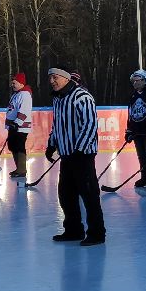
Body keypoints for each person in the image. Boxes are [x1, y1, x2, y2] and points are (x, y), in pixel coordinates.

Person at [44, 68, 104, 246]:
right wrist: (52, 144)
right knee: (66, 193)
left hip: (82, 155)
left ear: (65, 78)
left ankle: (97, 233)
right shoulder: (58, 98)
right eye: (50, 78)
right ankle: (73, 230)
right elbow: (57, 124)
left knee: (89, 194)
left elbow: (90, 125)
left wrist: (80, 150)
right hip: (67, 154)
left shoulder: (82, 97)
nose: (52, 81)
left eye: (55, 77)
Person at [125, 69, 146, 192]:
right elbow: (131, 114)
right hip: (137, 130)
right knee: (141, 155)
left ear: (144, 80)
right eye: (133, 81)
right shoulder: (133, 96)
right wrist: (129, 130)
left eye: (137, 80)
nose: (135, 83)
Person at [5, 72, 34, 181]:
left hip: (20, 127)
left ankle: (21, 170)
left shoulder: (25, 94)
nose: (12, 85)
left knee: (19, 146)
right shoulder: (17, 94)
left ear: (21, 83)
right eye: (12, 83)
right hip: (14, 126)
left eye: (14, 83)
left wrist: (16, 123)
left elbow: (24, 110)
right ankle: (19, 168)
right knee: (12, 146)